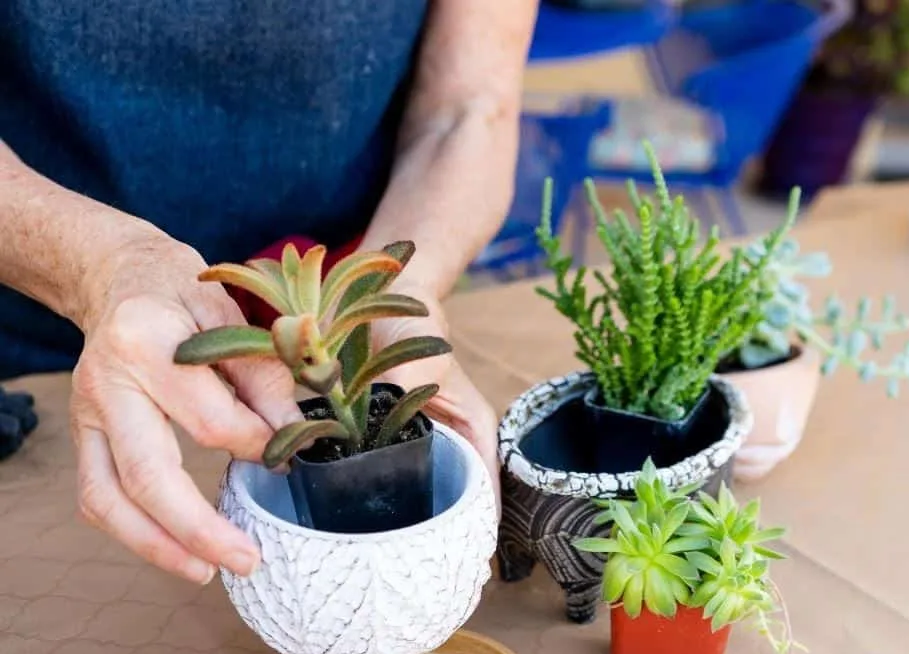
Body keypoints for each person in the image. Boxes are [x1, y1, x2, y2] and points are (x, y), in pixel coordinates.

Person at [0, 1, 538, 584]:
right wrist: (96, 266)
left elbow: (469, 106)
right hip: (50, 336)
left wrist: (403, 288)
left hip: (340, 317)